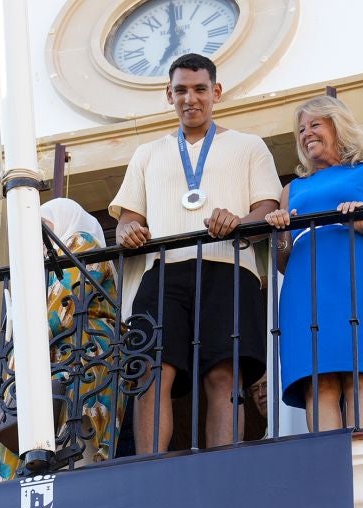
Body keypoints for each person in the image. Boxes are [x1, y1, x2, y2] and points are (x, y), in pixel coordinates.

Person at [110, 53, 281, 455]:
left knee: (225, 374)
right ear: (168, 94)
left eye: (200, 89)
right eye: (182, 90)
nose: (191, 98)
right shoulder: (146, 153)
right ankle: (150, 464)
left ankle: (224, 465)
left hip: (228, 267)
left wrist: (238, 219)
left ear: (216, 92)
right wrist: (128, 230)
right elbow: (127, 221)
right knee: (152, 371)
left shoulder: (249, 145)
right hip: (163, 269)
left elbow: (268, 208)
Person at [265, 97, 363, 432]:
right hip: (304, 286)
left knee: (360, 371)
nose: (306, 134)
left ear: (337, 126)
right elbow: (283, 261)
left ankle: (362, 458)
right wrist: (281, 233)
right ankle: (328, 461)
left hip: (356, 279)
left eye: (314, 125)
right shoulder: (291, 188)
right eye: (301, 129)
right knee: (318, 379)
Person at [0, 198, 123, 480]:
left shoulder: (82, 242)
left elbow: (61, 308)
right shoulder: (41, 268)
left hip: (82, 357)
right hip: (61, 364)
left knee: (76, 446)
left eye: (43, 229)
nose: (38, 242)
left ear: (63, 218)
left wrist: (23, 340)